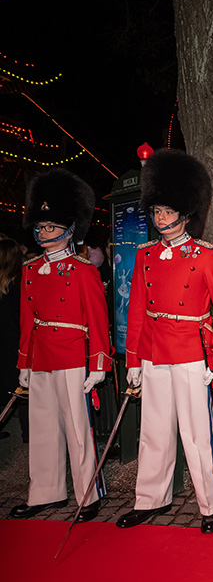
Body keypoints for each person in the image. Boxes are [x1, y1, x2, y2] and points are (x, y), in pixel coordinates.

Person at [116, 149, 213, 534]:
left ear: (185, 214)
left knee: (197, 432)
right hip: (153, 351)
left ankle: (209, 504)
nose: (160, 219)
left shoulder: (205, 255)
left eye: (168, 212)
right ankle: (150, 500)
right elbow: (136, 312)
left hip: (190, 351)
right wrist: (133, 361)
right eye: (157, 212)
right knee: (153, 430)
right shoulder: (145, 255)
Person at [11, 170, 113, 522]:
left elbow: (99, 321)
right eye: (40, 227)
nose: (43, 234)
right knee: (41, 428)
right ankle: (45, 491)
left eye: (51, 227)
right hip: (40, 357)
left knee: (77, 429)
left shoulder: (84, 271)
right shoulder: (29, 269)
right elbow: (27, 320)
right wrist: (24, 362)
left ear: (70, 229)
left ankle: (89, 493)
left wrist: (99, 363)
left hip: (71, 354)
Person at [0, 236, 26, 441]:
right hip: (13, 342)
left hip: (6, 342)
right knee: (23, 389)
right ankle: (29, 433)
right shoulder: (18, 283)